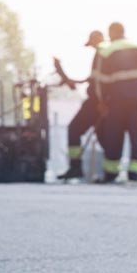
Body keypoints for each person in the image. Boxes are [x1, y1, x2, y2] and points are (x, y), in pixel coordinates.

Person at [93, 22, 137, 183]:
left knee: (113, 137)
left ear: (111, 33)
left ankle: (111, 173)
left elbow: (100, 81)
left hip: (116, 102)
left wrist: (102, 101)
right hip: (136, 101)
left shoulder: (106, 51)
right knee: (136, 138)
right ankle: (134, 174)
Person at [55, 30, 105, 180]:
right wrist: (74, 81)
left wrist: (102, 101)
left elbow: (98, 81)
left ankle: (76, 167)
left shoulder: (102, 54)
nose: (92, 47)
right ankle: (106, 172)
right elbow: (93, 79)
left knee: (74, 129)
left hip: (97, 102)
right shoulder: (103, 55)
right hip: (101, 101)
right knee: (103, 135)